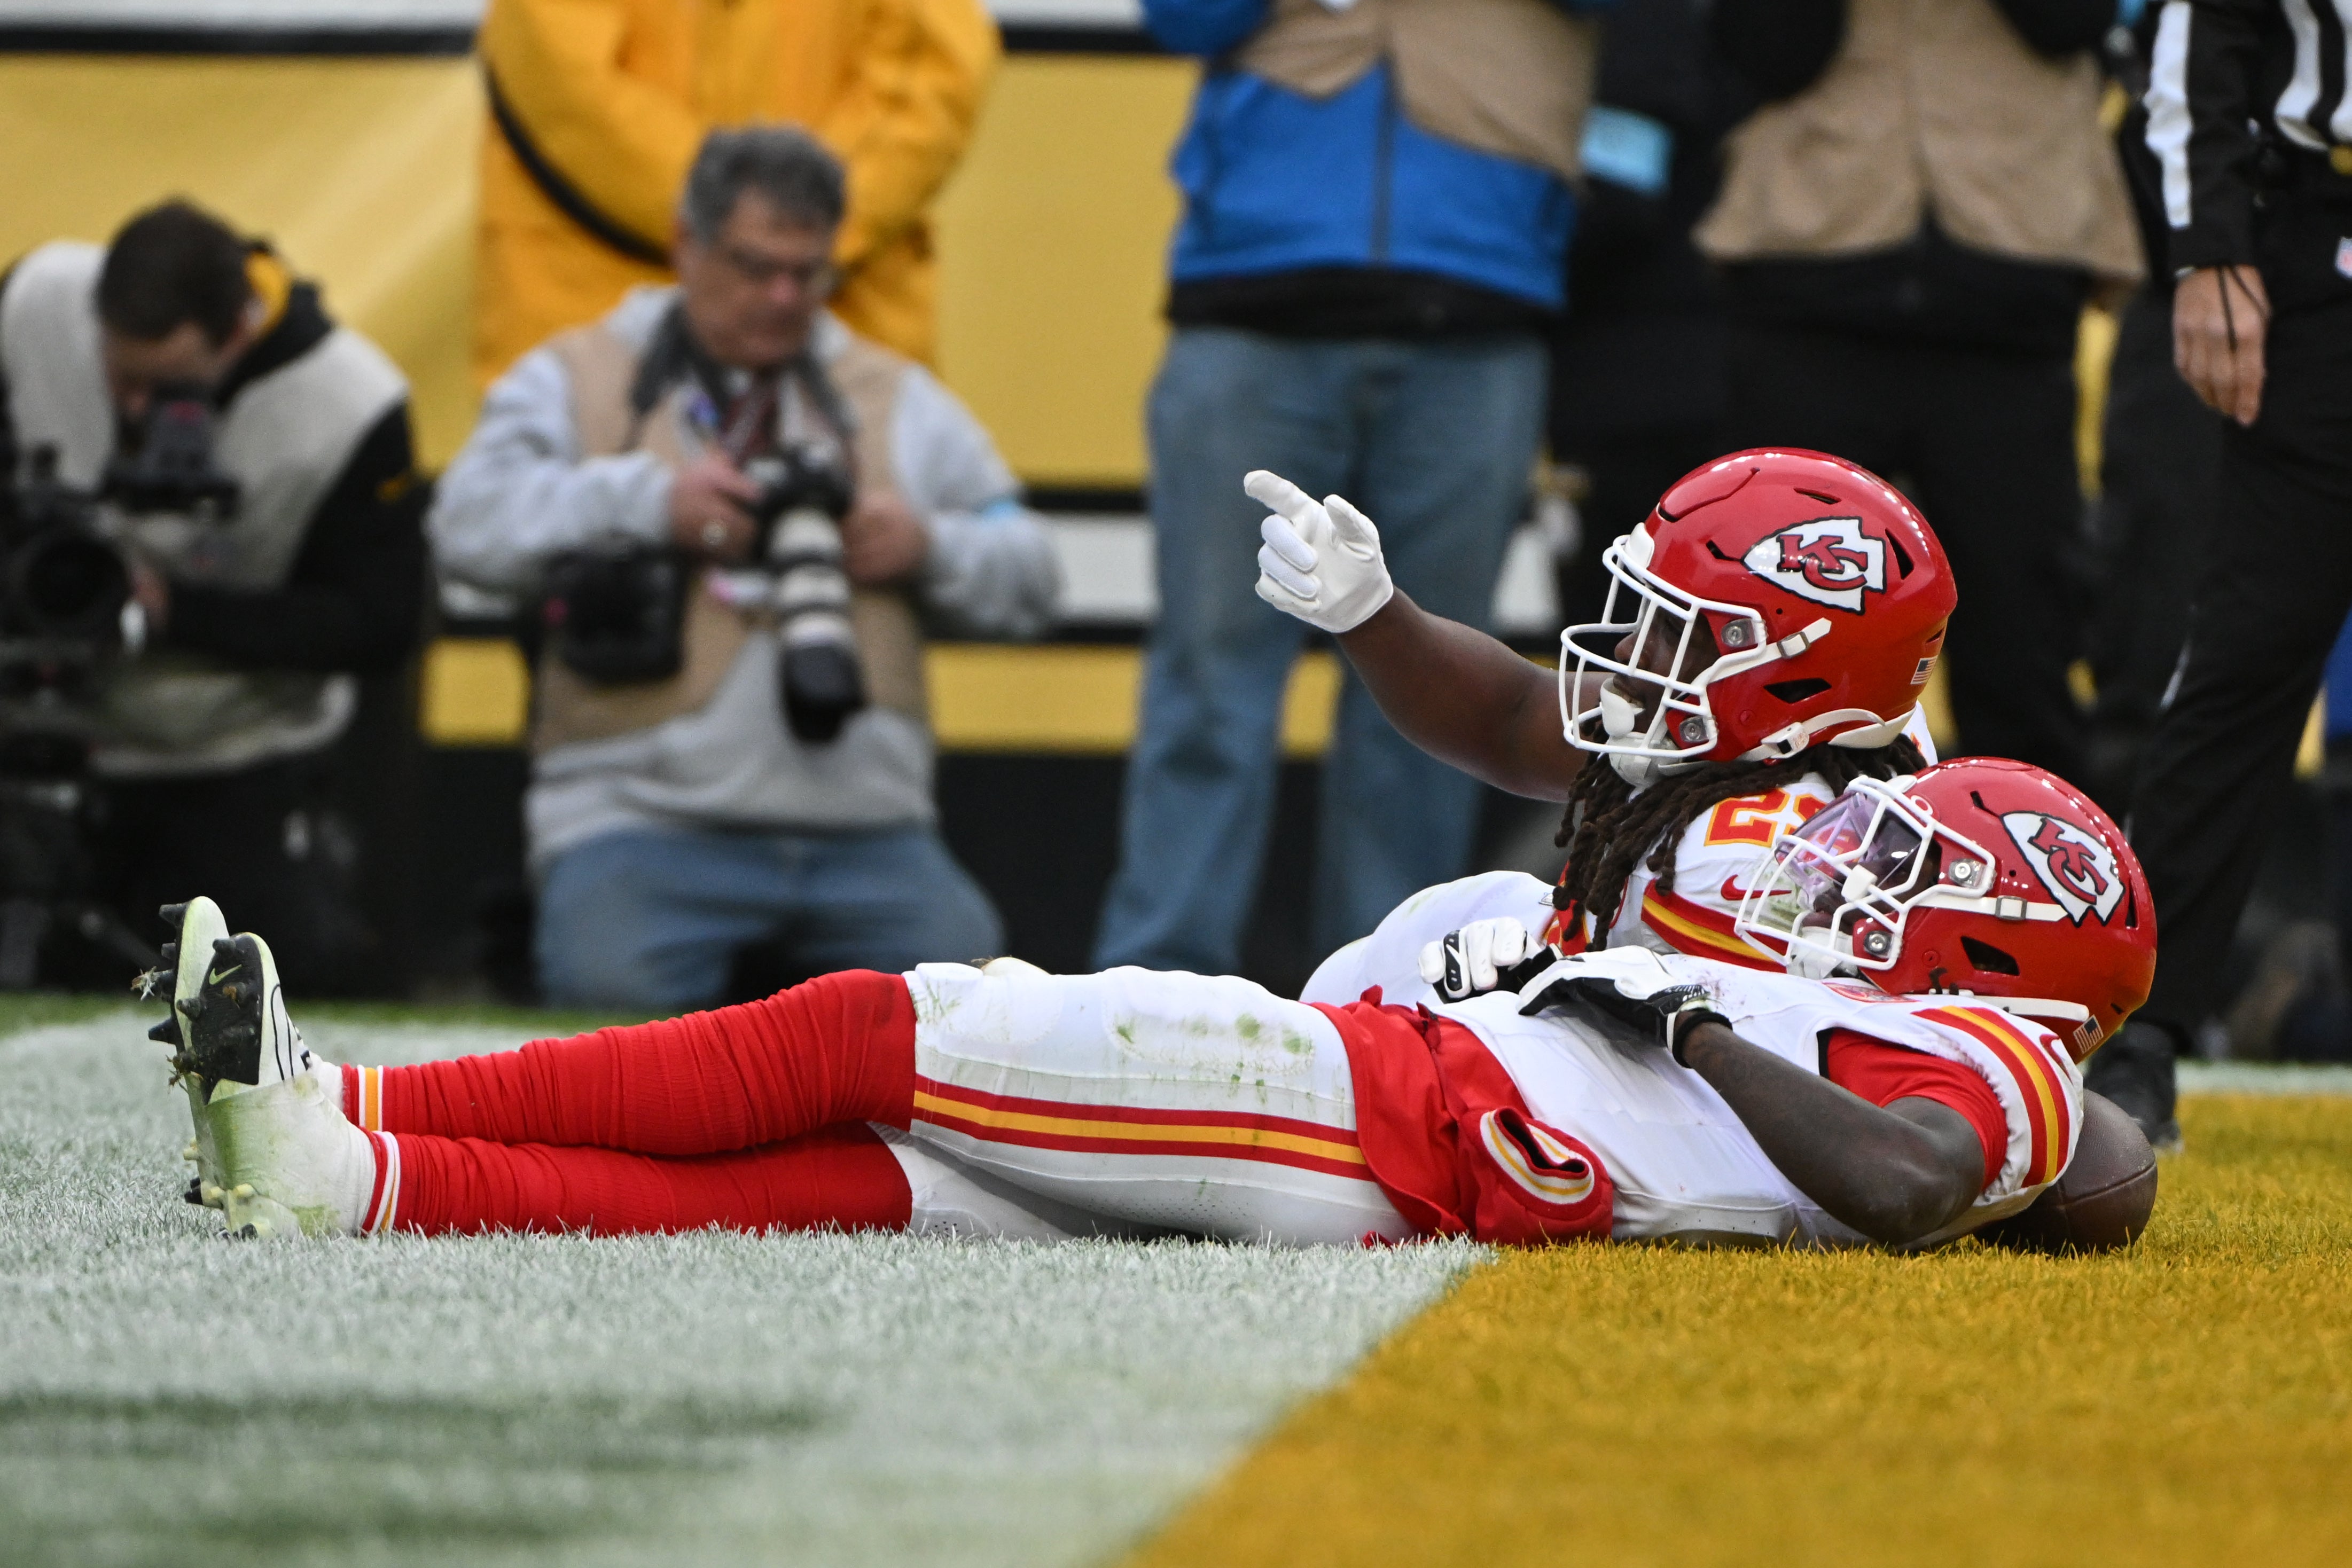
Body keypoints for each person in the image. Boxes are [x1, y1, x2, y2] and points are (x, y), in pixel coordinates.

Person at [149, 756, 2152, 1254]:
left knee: (878, 1023)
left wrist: (1673, 1012)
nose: (1833, 870)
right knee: (861, 1178)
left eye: (1896, 873)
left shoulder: (1993, 1064)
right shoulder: (1915, 1029)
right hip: (1404, 1134)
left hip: (1396, 1117)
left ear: (1996, 950)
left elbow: (1917, 1177)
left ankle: (360, 1092)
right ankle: (355, 1181)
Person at [429, 126, 1057, 1011]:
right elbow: (463, 526)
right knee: (607, 1014)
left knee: (978, 1017)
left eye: (809, 273)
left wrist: (928, 547)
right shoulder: (577, 376)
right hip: (637, 824)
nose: (782, 296)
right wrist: (649, 506)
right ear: (686, 243)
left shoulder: (893, 396)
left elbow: (1033, 570)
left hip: (868, 837)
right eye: (756, 265)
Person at [1093, 0, 1613, 979]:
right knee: (1208, 681)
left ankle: (1386, 1003)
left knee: (1430, 692)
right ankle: (1148, 998)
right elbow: (1180, 17)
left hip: (1479, 314)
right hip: (1252, 308)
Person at [1236, 449, 1951, 1004]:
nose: (1627, 652)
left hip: (1690, 1139)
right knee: (1446, 925)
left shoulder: (1750, 862)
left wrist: (1530, 990)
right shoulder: (1850, 729)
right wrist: (1371, 612)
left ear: (1794, 672)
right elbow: (1510, 716)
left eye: (1674, 629)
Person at [1695, 0, 2144, 782]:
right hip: (1807, 272)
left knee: (2020, 640)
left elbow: (2066, 21)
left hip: (2008, 283)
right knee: (1776, 633)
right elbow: (1768, 50)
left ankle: (2019, 879)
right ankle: (1744, 872)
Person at [0, 200, 424, 990]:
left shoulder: (348, 405)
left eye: (164, 388)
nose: (134, 409)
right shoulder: (34, 307)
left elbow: (377, 624)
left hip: (230, 758)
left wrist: (178, 613)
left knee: (283, 983)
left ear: (235, 334)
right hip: (33, 738)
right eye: (119, 376)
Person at [2089, 0, 2352, 1147]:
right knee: (2248, 644)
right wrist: (2205, 247)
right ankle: (2142, 1029)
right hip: (2325, 226)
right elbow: (2198, 26)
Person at [471, 0, 998, 382]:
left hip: (839, 340)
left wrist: (765, 247)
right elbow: (562, 79)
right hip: (594, 348)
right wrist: (784, 240)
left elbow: (928, 84)